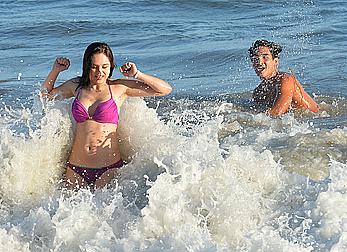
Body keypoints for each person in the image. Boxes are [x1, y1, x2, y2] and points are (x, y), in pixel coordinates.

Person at [41, 42, 172, 189]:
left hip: (108, 169)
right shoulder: (76, 86)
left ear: (111, 66)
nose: (100, 72)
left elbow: (164, 90)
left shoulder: (119, 88)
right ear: (87, 66)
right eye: (94, 67)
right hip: (75, 169)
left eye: (104, 67)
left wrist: (137, 74)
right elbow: (45, 97)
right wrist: (56, 70)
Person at [249, 39, 319, 117]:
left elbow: (277, 113)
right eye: (255, 59)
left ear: (275, 62)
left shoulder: (286, 80)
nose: (259, 62)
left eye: (265, 57)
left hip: (317, 119)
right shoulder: (258, 92)